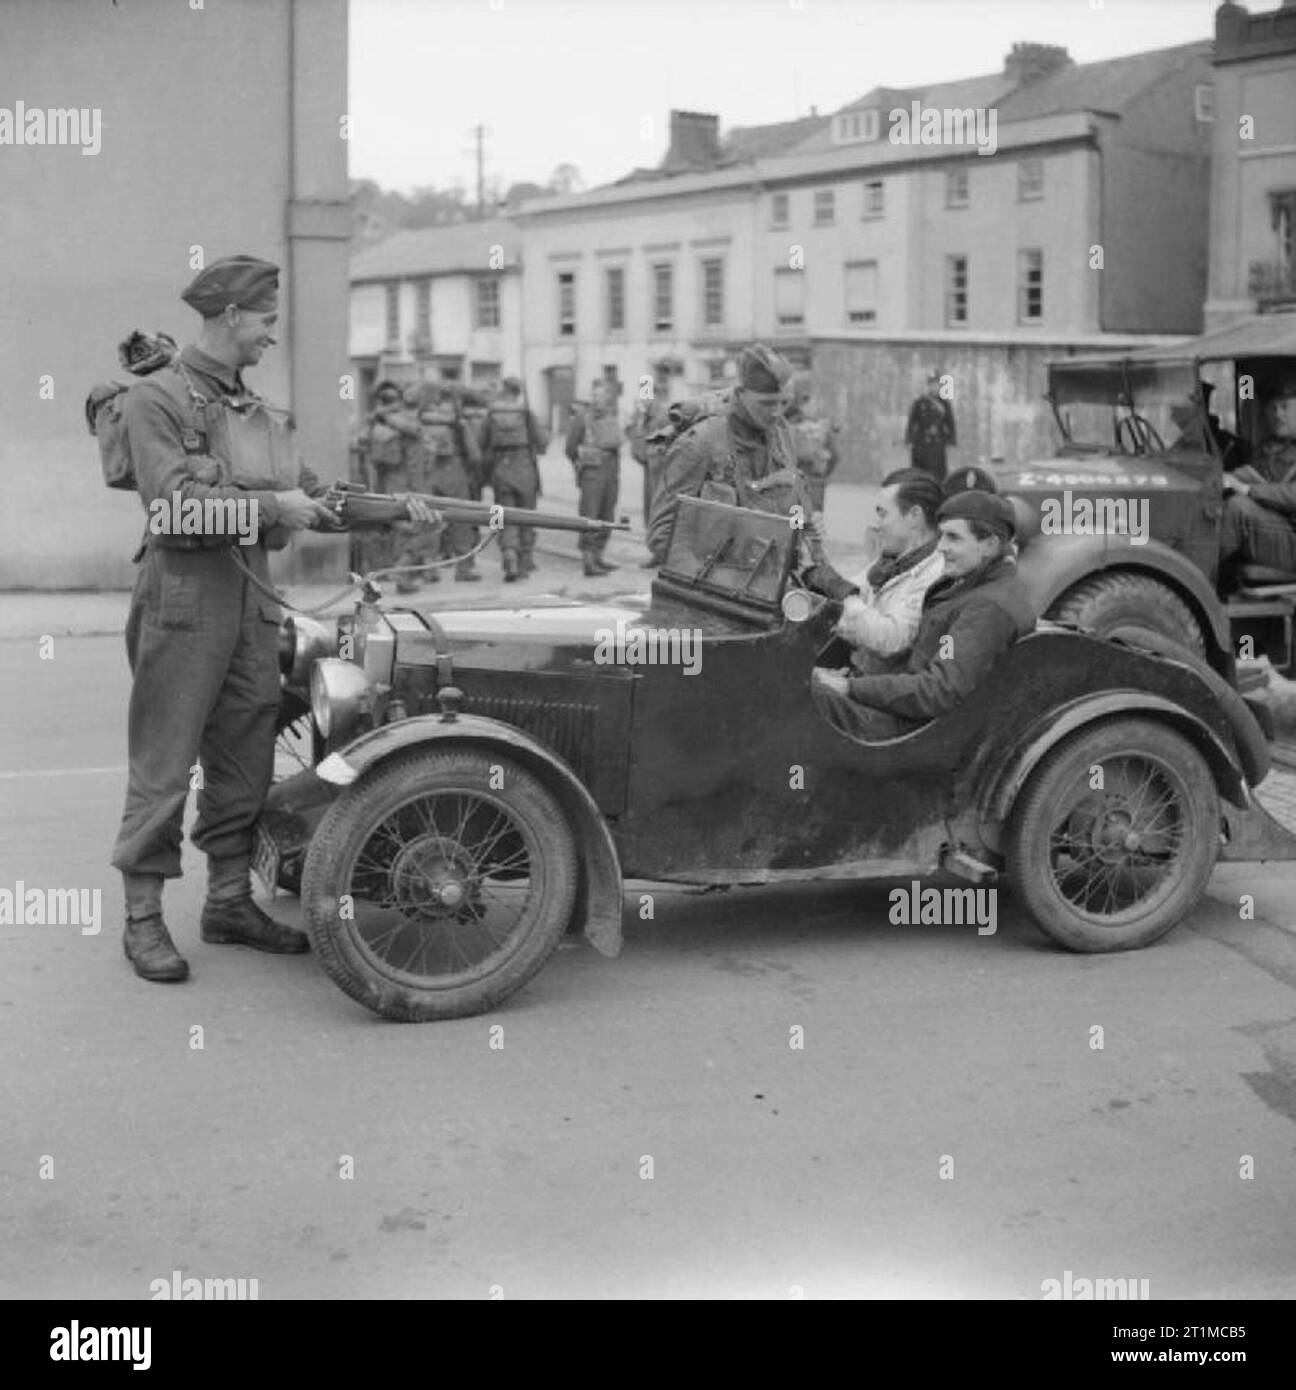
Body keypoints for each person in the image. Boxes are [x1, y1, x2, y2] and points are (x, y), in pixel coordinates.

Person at [110, 254, 339, 982]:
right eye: (267, 320)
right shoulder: (157, 401)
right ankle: (143, 920)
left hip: (249, 603)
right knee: (165, 764)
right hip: (182, 599)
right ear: (233, 316)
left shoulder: (252, 410)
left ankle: (229, 903)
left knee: (245, 754)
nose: (273, 335)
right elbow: (175, 512)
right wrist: (277, 509)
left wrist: (402, 510)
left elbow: (311, 492)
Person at [811, 490, 1034, 741]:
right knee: (801, 679)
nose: (940, 548)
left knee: (800, 695)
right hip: (906, 712)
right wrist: (856, 680)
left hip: (910, 730)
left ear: (989, 545)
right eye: (941, 536)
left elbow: (938, 690)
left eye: (953, 538)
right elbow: (925, 662)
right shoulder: (970, 586)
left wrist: (850, 688)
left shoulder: (988, 609)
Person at [646, 342, 819, 568]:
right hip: (713, 586)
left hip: (770, 581)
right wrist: (715, 581)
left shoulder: (781, 434)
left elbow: (795, 504)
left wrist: (803, 540)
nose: (776, 413)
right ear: (740, 393)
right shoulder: (700, 444)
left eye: (783, 403)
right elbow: (662, 535)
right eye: (766, 403)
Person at [834, 469, 946, 673]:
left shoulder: (936, 573)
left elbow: (892, 639)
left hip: (888, 689)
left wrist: (843, 596)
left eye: (882, 513)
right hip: (862, 672)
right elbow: (851, 590)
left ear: (914, 516)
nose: (877, 524)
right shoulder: (891, 561)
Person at [1219, 390, 1296, 580]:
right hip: (1282, 532)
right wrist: (1223, 479)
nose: (1278, 414)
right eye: (1273, 408)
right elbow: (1254, 473)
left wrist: (1248, 489)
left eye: (1285, 407)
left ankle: (1197, 578)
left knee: (1239, 508)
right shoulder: (1271, 448)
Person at [411, 383, 483, 584]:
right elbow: (475, 456)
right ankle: (464, 569)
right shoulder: (457, 422)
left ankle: (428, 569)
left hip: (427, 475)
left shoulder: (423, 419)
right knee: (462, 521)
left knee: (428, 522)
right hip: (455, 473)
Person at [480, 376, 549, 581]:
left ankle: (509, 554)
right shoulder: (526, 412)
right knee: (526, 514)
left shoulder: (491, 413)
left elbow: (480, 442)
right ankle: (525, 559)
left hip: (501, 468)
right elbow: (543, 443)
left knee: (502, 514)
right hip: (525, 467)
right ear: (518, 392)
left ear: (503, 389)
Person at [565, 379, 622, 576]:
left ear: (608, 397)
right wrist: (581, 465)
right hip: (592, 474)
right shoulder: (582, 418)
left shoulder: (611, 416)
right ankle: (588, 562)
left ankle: (598, 556)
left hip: (611, 473)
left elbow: (616, 448)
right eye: (594, 395)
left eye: (601, 395)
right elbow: (570, 448)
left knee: (607, 516)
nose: (597, 400)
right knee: (589, 517)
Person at [626, 366, 672, 553]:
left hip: (661, 470)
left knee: (659, 509)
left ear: (656, 395)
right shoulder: (642, 416)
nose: (644, 399)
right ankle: (655, 549)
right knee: (649, 508)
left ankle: (661, 551)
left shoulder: (663, 415)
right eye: (643, 394)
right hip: (648, 467)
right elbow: (636, 439)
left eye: (648, 394)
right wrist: (638, 421)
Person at [784, 371, 839, 514]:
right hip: (815, 484)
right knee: (814, 522)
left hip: (791, 485)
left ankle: (797, 535)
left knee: (796, 524)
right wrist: (823, 473)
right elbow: (835, 456)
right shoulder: (820, 428)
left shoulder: (784, 424)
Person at [1168, 382, 1248, 470]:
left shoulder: (1228, 446)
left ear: (1199, 411)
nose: (1172, 416)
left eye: (1177, 408)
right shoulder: (1182, 443)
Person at [905, 370, 957, 482]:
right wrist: (909, 439)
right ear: (928, 385)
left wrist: (951, 439)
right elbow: (912, 422)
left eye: (936, 384)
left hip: (937, 444)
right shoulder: (919, 403)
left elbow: (950, 423)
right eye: (931, 384)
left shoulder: (945, 404)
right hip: (921, 444)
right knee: (919, 474)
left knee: (938, 474)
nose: (934, 387)